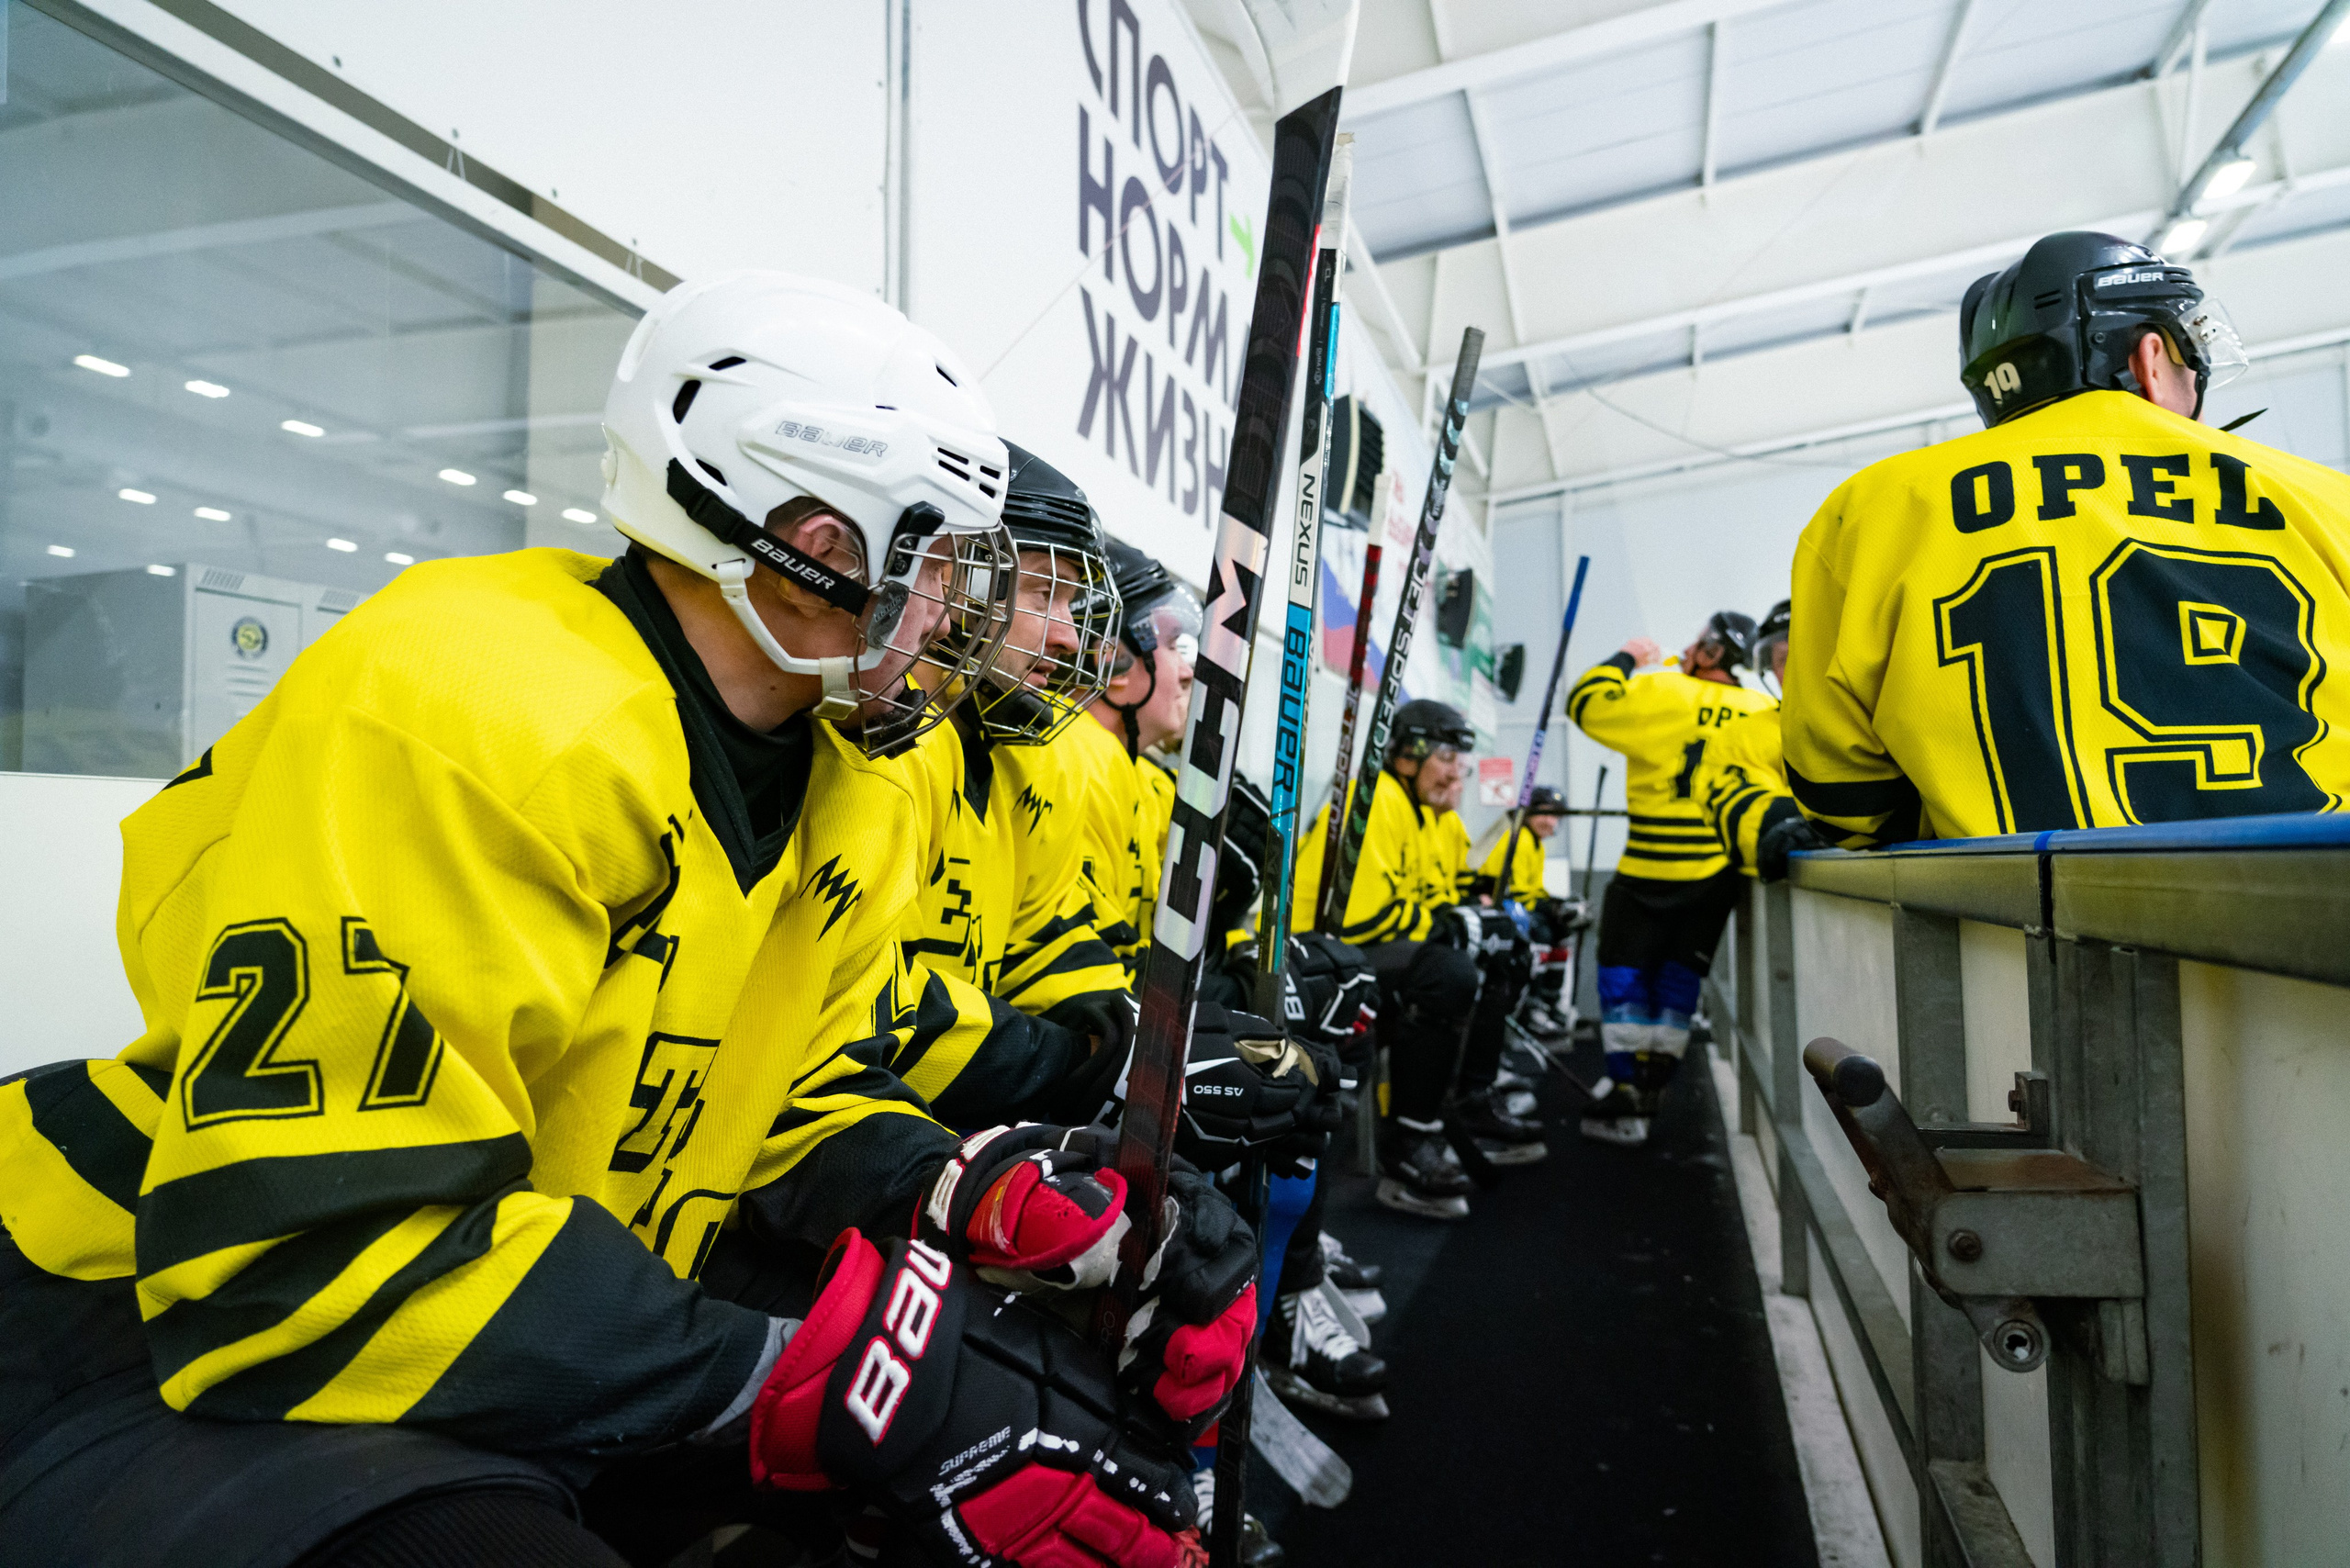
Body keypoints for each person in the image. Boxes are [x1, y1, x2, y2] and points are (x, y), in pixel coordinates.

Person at [0, 272, 1245, 1568]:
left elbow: (783, 1097)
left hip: (506, 1289)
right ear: (815, 547)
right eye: (945, 567)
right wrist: (834, 1382)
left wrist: (968, 1185)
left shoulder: (849, 775)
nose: (971, 624)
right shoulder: (478, 708)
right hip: (144, 1322)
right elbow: (305, 1258)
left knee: (1031, 1398)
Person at [1785, 230, 2350, 844]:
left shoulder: (1867, 512)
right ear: (2151, 360)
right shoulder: (2323, 497)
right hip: (2315, 914)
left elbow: (1838, 792)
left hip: (2011, 926)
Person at [1291, 699, 1544, 1219]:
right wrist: (1456, 927)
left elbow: (1441, 899)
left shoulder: (1430, 816)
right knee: (1450, 971)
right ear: (1407, 755)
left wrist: (1478, 920)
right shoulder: (1380, 799)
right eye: (1447, 756)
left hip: (1363, 953)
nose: (1460, 771)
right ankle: (1409, 1140)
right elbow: (1361, 923)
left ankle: (1471, 1100)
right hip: (1314, 959)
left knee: (1494, 954)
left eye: (1461, 760)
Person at [1565, 612, 1774, 1146]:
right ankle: (1655, 1090)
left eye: (1696, 642)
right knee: (1680, 982)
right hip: (1714, 873)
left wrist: (1629, 658)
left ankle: (1625, 1089)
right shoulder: (1763, 708)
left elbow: (1584, 701)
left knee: (1622, 975)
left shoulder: (1663, 688)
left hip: (1647, 869)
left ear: (1709, 652)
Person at [1697, 600, 1826, 881]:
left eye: (1809, 649)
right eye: (1782, 659)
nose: (1794, 667)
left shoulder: (1884, 714)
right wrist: (1800, 826)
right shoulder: (1744, 736)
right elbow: (1739, 804)